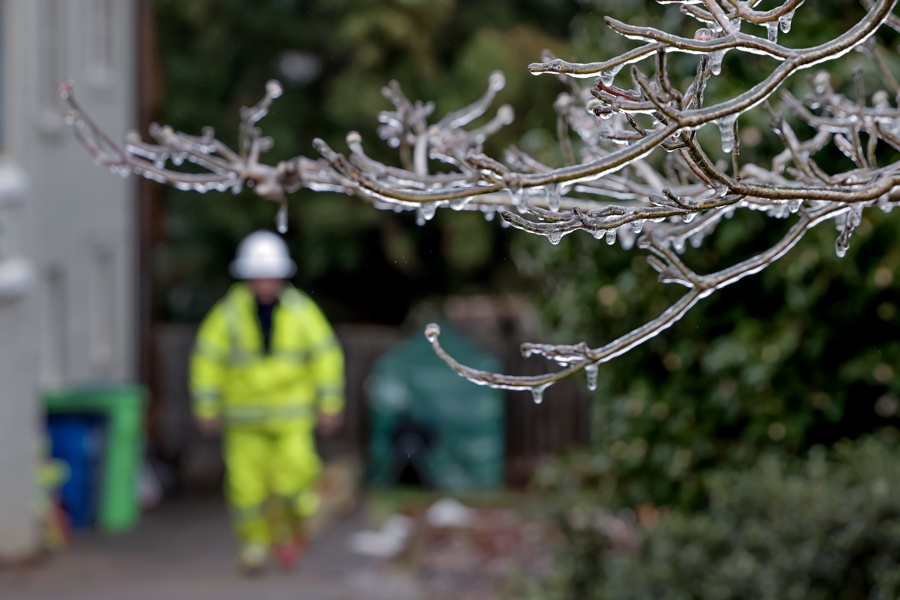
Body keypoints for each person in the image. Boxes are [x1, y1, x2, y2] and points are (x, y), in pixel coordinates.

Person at [189, 230, 344, 574]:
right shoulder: (227, 315)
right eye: (257, 275)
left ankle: (288, 535)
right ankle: (253, 546)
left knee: (296, 483)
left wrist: (330, 403)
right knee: (246, 491)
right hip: (244, 422)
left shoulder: (302, 313)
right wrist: (206, 408)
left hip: (292, 420)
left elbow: (326, 358)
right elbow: (207, 361)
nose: (264, 282)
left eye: (269, 275)